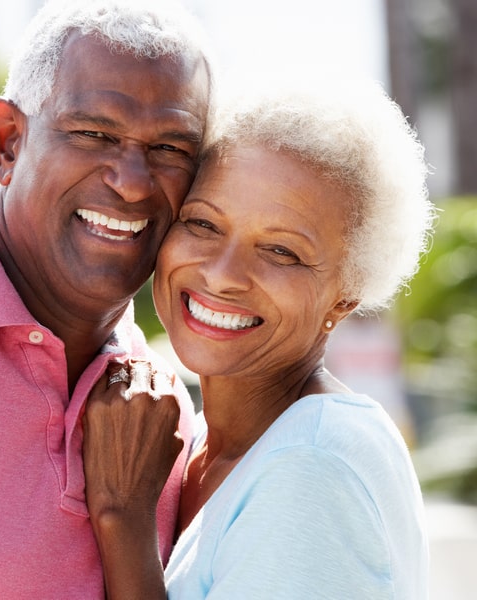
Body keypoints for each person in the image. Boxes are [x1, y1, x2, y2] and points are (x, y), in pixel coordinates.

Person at [0, 0, 214, 597]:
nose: (133, 181)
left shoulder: (166, 410)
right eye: (93, 133)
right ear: (7, 142)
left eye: (170, 149)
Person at [83, 77, 436, 599]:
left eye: (281, 253)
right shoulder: (211, 439)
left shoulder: (312, 468)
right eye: (202, 224)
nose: (224, 274)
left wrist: (124, 520)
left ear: (346, 296)